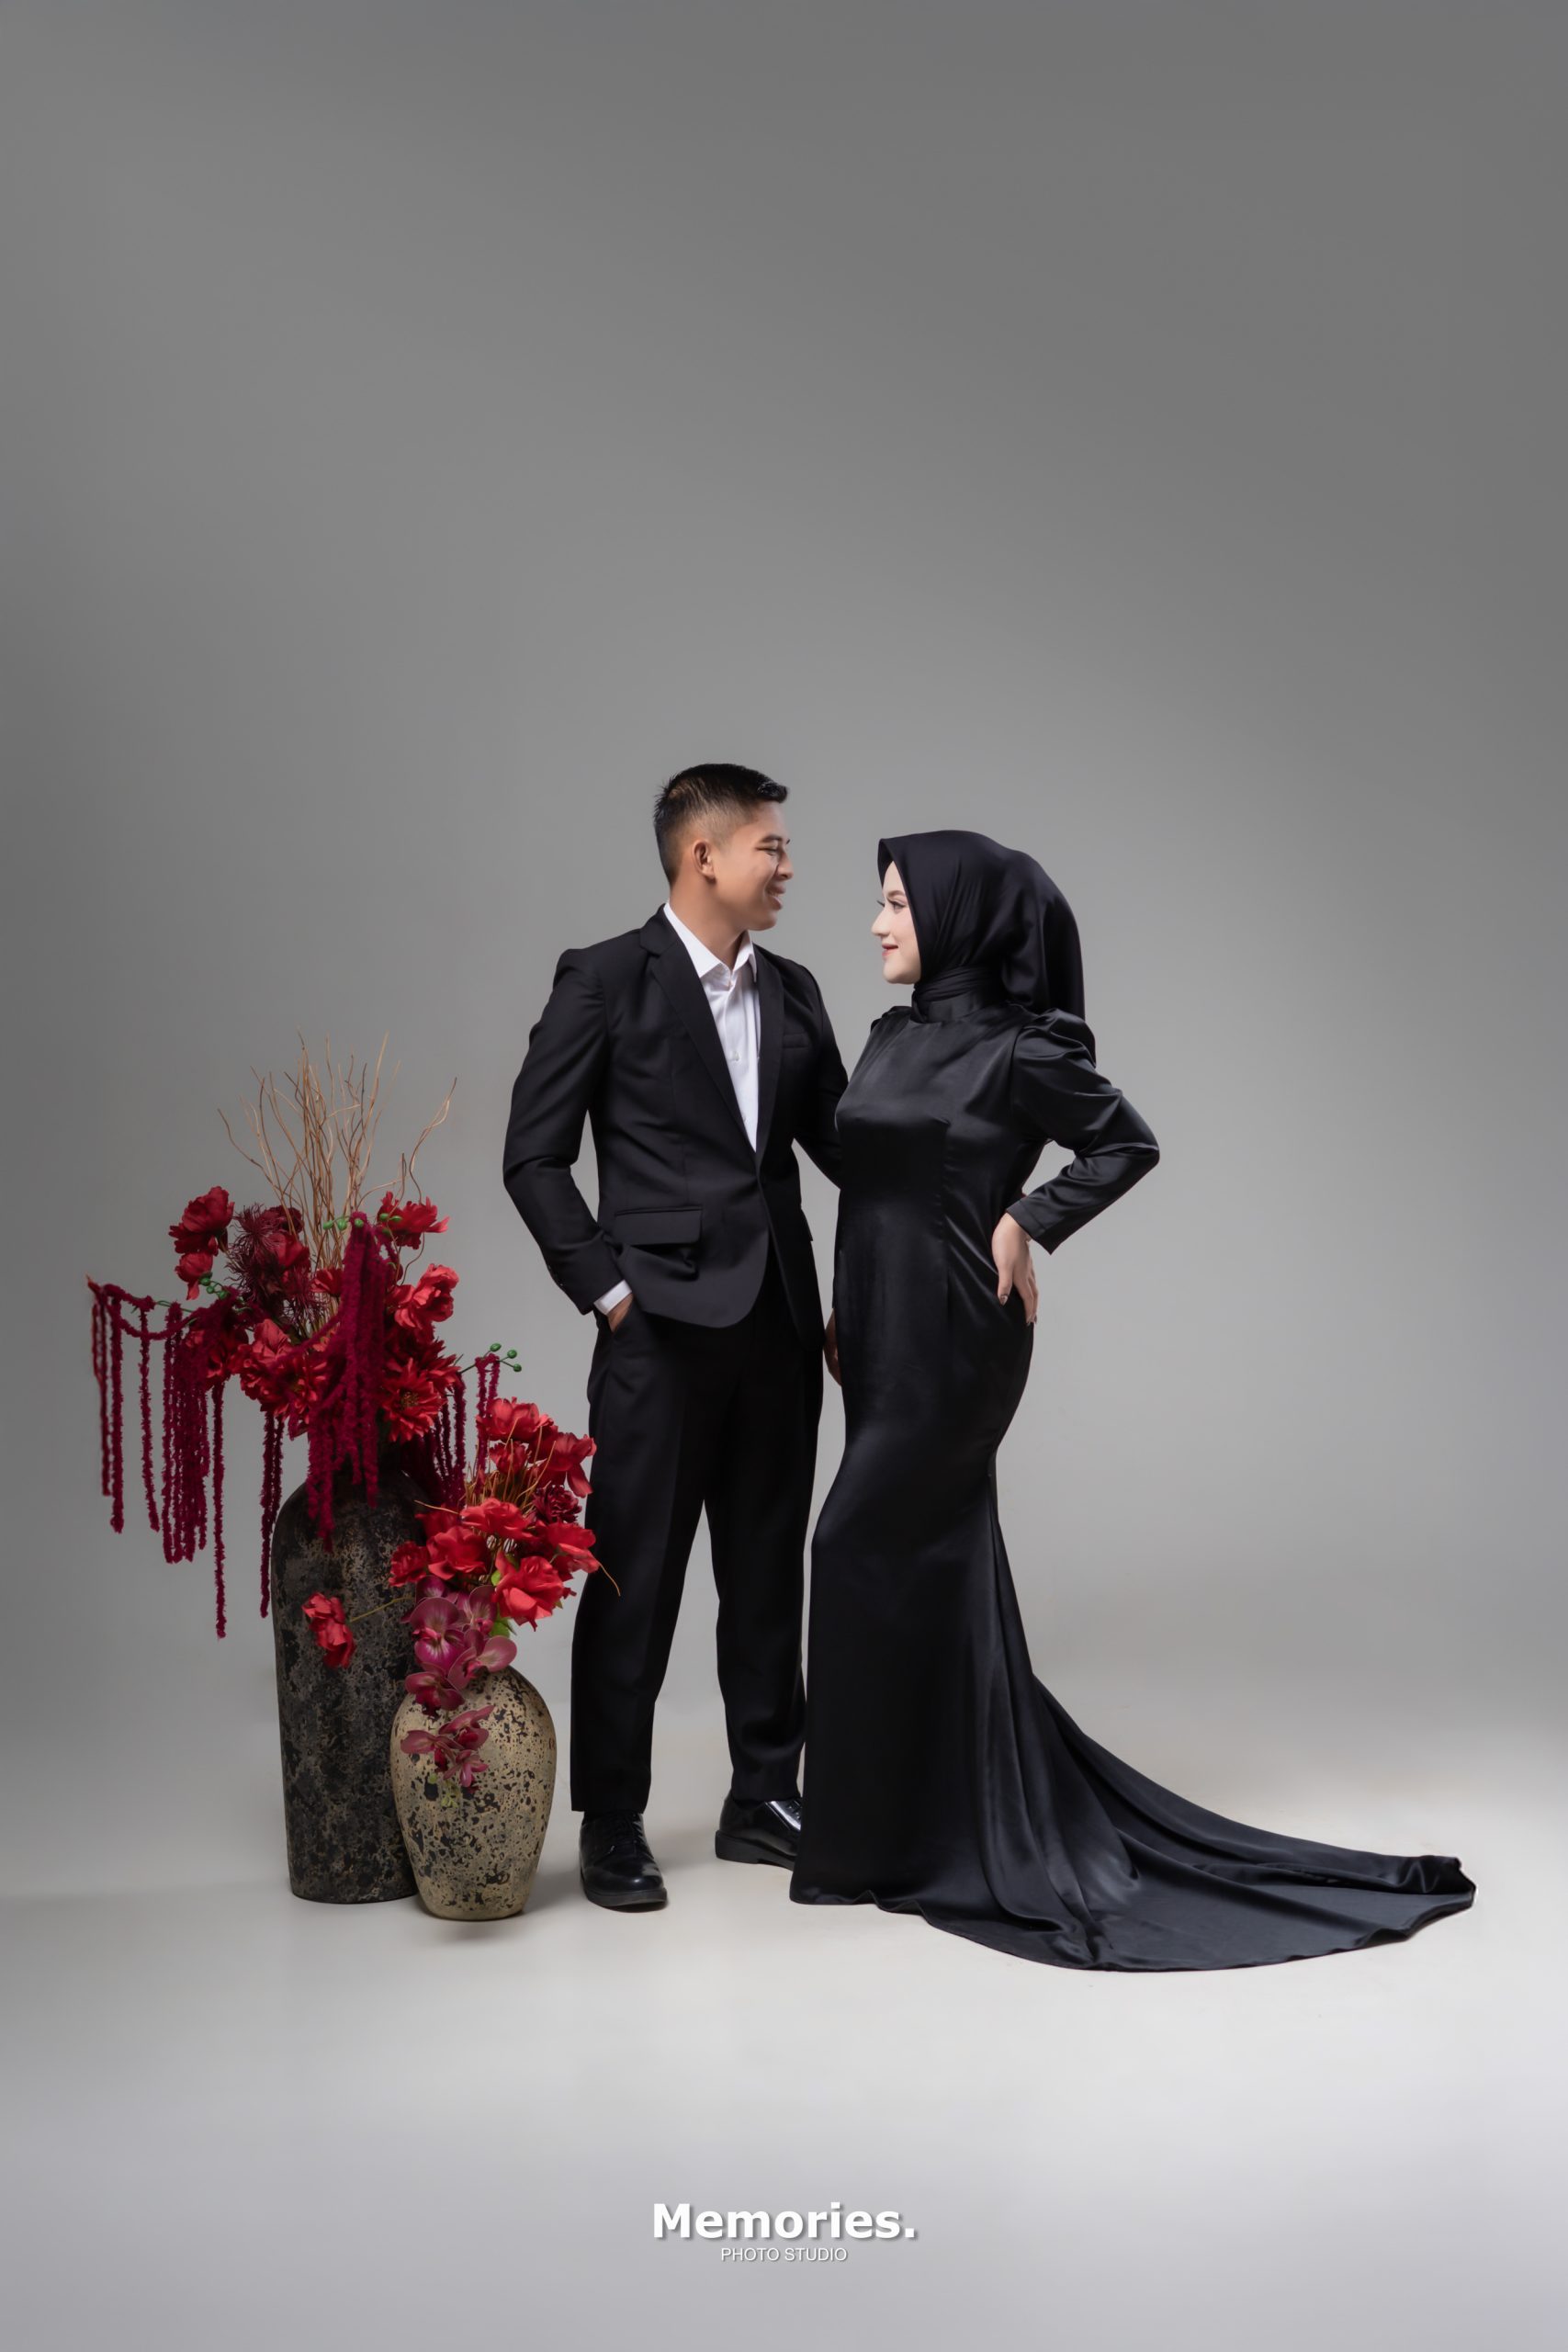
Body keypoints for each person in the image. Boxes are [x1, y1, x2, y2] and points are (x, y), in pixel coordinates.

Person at [789, 828, 1475, 1968]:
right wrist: (843, 1304)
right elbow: (872, 1181)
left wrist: (1028, 1219)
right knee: (933, 1567)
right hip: (876, 1327)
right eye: (882, 902)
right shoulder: (890, 1036)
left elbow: (1125, 1142)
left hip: (957, 1330)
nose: (877, 923)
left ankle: (857, 1845)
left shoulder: (1023, 1047)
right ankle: (928, 1820)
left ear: (956, 918)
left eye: (898, 903)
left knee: (852, 1541)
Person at [503, 764, 847, 1909]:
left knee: (767, 1574)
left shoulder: (794, 991)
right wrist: (607, 1293)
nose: (788, 866)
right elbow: (533, 1155)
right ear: (704, 855)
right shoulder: (606, 979)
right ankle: (612, 1819)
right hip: (655, 1333)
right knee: (634, 1580)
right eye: (771, 846)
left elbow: (851, 1151)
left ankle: (765, 1796)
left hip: (779, 1326)